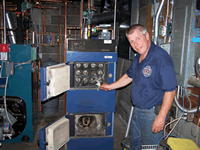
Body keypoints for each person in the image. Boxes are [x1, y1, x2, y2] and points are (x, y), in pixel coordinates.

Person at [100, 24, 177, 150]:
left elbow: (171, 90)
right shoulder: (138, 57)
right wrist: (110, 86)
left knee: (149, 148)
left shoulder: (160, 57)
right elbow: (129, 76)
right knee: (135, 146)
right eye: (132, 41)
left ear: (147, 36)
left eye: (138, 39)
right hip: (138, 111)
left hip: (152, 114)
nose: (136, 44)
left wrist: (161, 117)